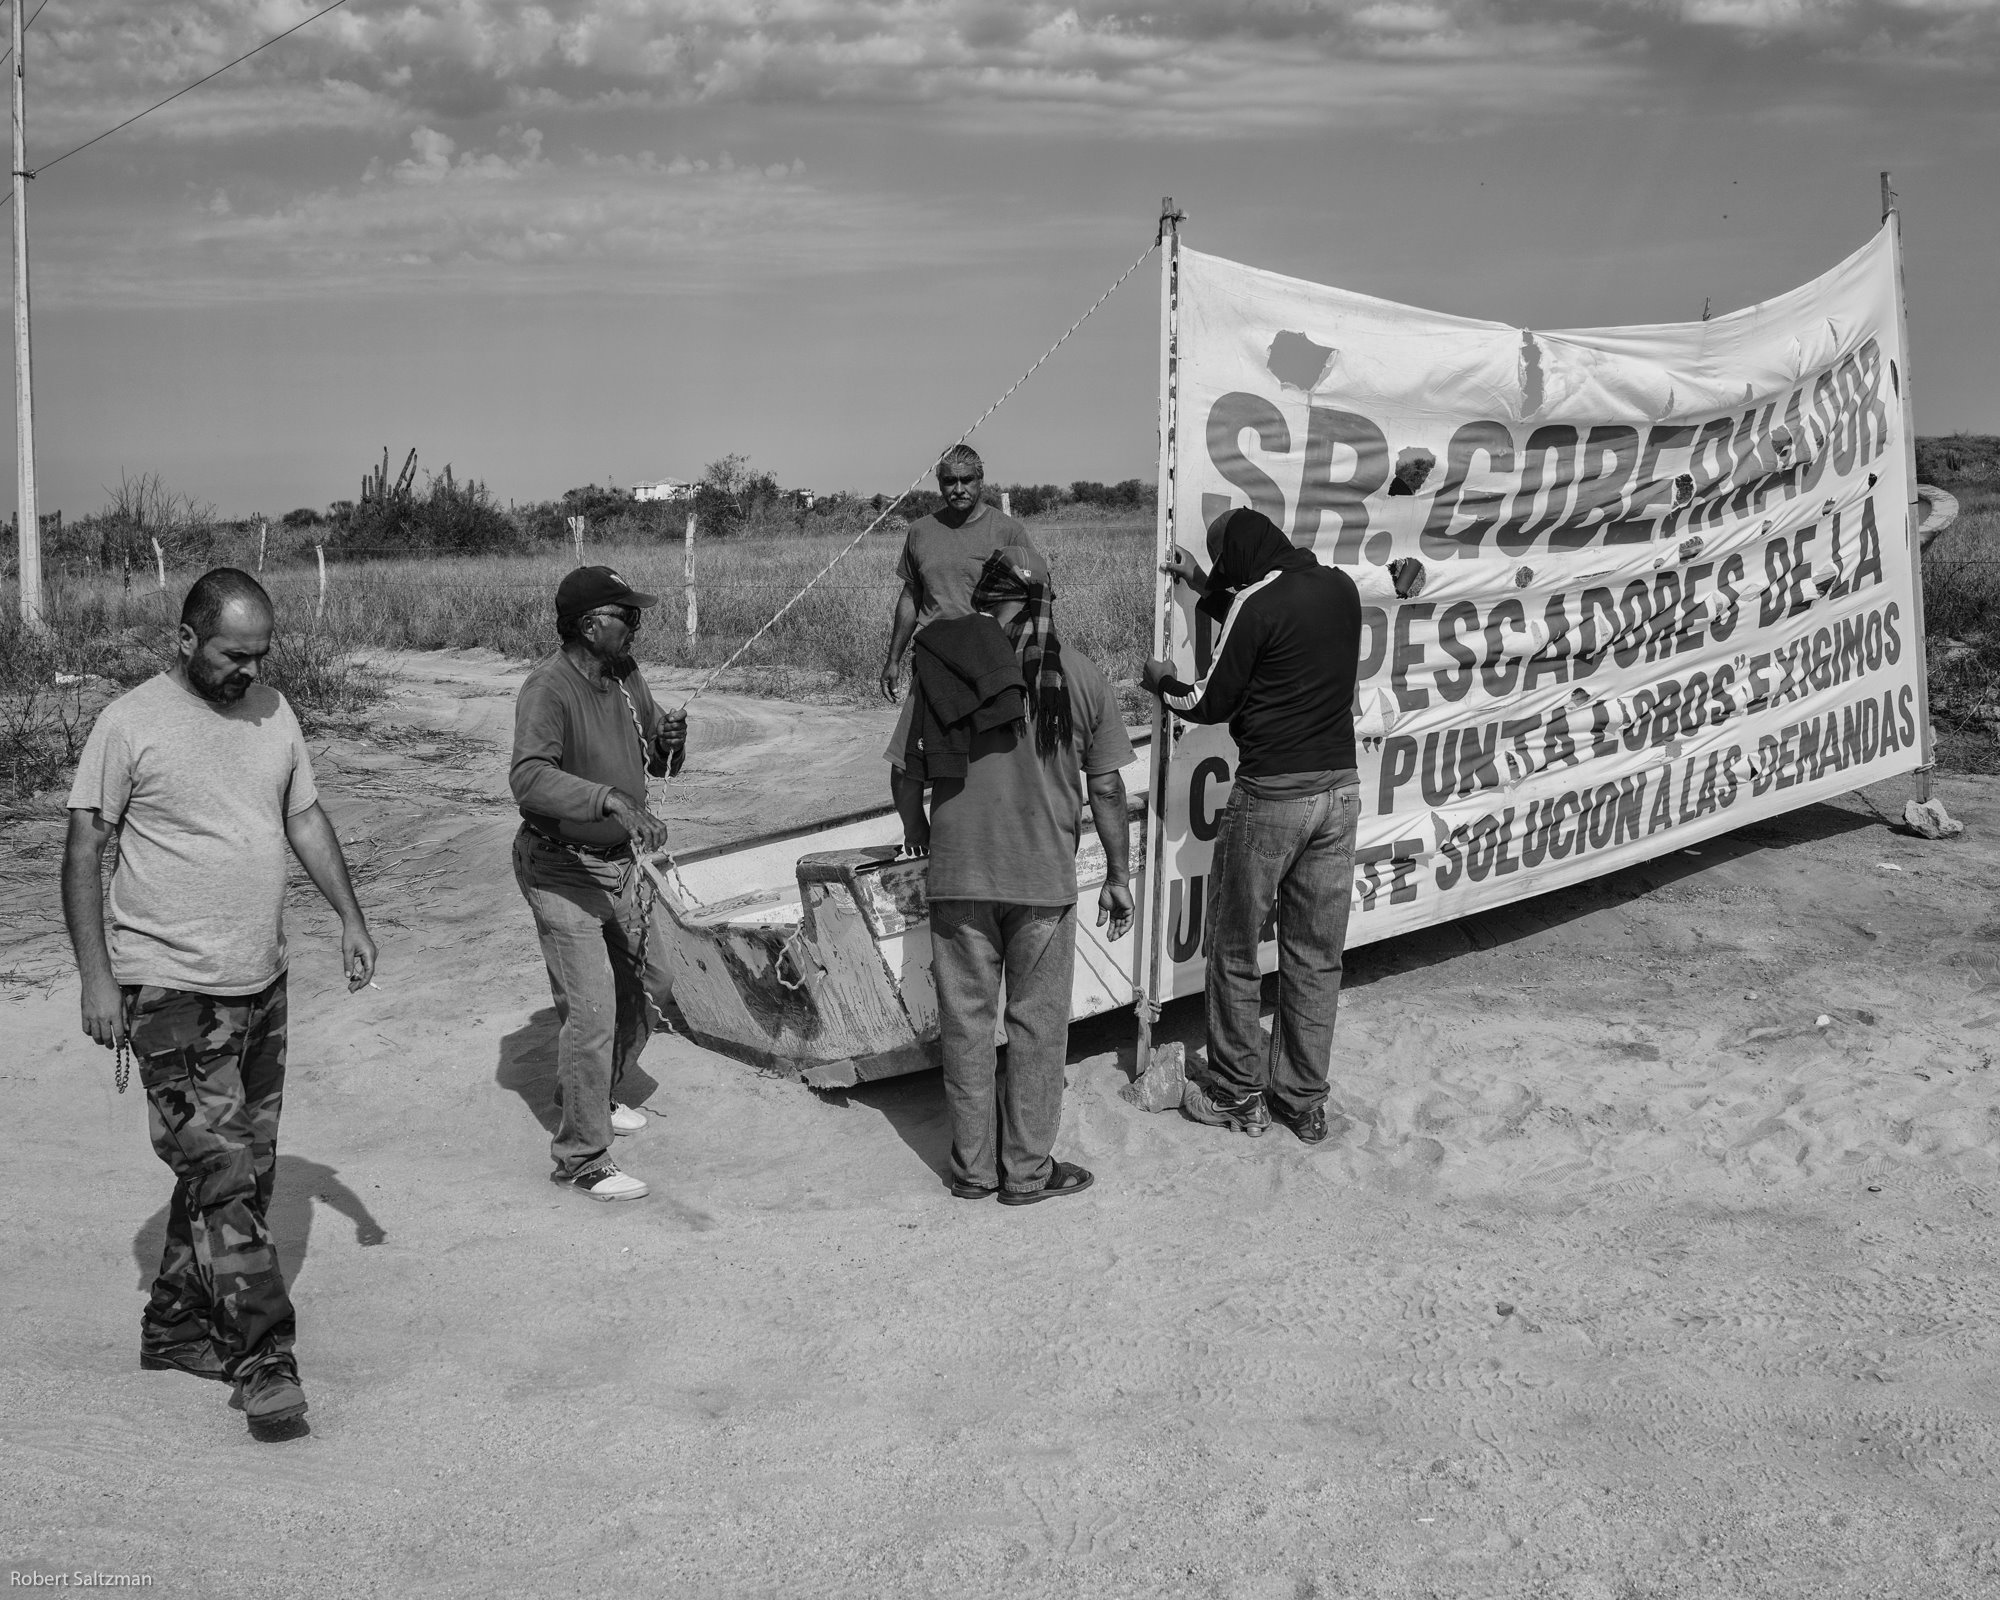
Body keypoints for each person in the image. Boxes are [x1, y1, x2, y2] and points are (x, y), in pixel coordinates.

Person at [62, 567, 378, 1444]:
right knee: (221, 1170)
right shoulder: (130, 723)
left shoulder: (276, 713)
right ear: (187, 639)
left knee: (240, 1168)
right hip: (166, 985)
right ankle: (264, 1359)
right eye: (234, 655)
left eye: (260, 655)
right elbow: (85, 844)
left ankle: (173, 1327)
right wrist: (96, 978)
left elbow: (303, 819)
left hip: (260, 980)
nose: (249, 671)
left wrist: (350, 917)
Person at [892, 547, 1133, 1205]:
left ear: (983, 602)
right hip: (1041, 882)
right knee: (1036, 1026)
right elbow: (1106, 789)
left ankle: (973, 1170)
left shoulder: (940, 669)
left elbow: (904, 774)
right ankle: (1026, 1172)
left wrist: (921, 832)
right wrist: (1118, 872)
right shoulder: (1079, 677)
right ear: (1045, 603)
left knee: (968, 1026)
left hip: (959, 875)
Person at [1141, 509, 1363, 1145]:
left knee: (1235, 947)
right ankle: (1303, 1100)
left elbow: (1209, 701)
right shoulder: (1339, 586)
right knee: (1315, 957)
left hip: (1272, 796)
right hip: (1339, 794)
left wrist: (1162, 682)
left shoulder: (1257, 603)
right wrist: (1205, 583)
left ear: (1239, 554)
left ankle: (1238, 1091)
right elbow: (1264, 622)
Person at [510, 565, 688, 1203]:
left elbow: (655, 757)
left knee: (655, 981)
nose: (637, 625)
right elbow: (529, 778)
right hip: (560, 867)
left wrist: (672, 744)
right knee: (590, 1011)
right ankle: (581, 1157)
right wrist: (609, 798)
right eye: (627, 615)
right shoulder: (548, 690)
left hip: (617, 867)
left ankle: (597, 1091)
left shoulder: (626, 676)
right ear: (590, 625)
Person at [878, 444, 1045, 705]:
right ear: (939, 484)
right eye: (949, 481)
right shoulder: (920, 532)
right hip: (934, 656)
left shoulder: (1008, 532)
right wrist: (893, 659)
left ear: (980, 480)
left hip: (992, 661)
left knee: (992, 743)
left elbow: (1034, 597)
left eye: (966, 480)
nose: (958, 490)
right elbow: (911, 597)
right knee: (933, 744)